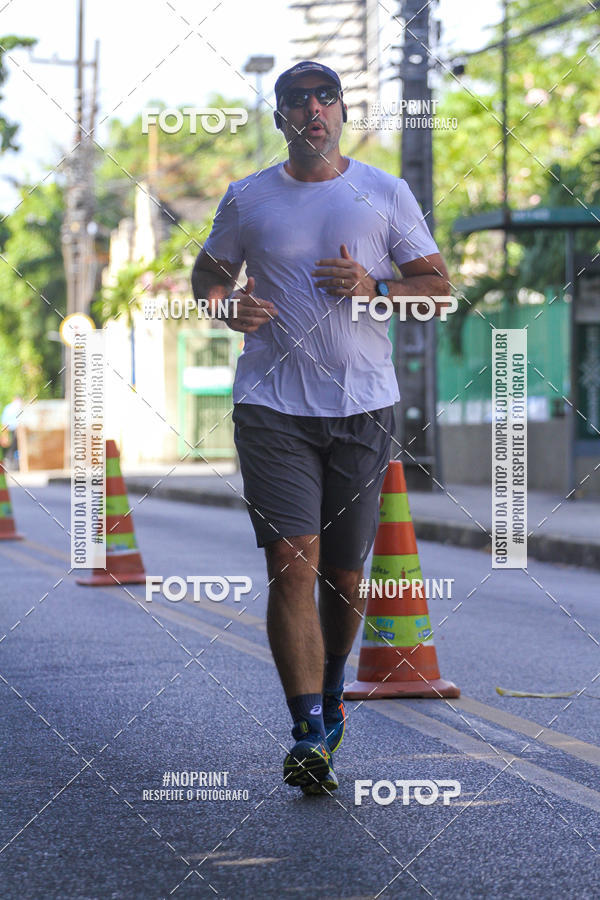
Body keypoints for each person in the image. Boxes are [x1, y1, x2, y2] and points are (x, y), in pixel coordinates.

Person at [192, 60, 450, 795]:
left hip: (363, 408)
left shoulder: (383, 192)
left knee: (342, 577)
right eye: (297, 100)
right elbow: (207, 274)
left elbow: (438, 289)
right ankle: (307, 729)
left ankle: (333, 688)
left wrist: (378, 287)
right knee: (291, 566)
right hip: (272, 408)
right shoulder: (248, 198)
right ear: (279, 117)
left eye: (325, 97)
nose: (313, 109)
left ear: (341, 112)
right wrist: (221, 306)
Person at [1, 396, 23, 469]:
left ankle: (15, 465)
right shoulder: (9, 408)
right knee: (11, 449)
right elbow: (4, 422)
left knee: (17, 450)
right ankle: (10, 465)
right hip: (12, 431)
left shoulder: (19, 407)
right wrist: (5, 435)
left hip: (19, 430)